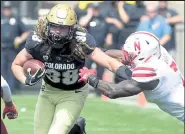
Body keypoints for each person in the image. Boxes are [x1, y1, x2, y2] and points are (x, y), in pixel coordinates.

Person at [11, 4, 124, 134]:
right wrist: (26, 80)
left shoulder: (80, 41)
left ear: (72, 28)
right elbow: (16, 64)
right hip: (48, 92)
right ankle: (76, 130)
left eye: (63, 28)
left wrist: (130, 75)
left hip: (73, 93)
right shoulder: (38, 40)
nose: (58, 31)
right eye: (54, 26)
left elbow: (109, 62)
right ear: (47, 25)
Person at [79, 31, 184, 122]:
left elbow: (113, 91)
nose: (125, 54)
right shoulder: (156, 53)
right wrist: (96, 51)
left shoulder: (151, 71)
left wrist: (90, 78)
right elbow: (124, 56)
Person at [1, 2, 30, 93]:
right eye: (5, 9)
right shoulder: (1, 20)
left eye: (8, 9)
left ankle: (12, 89)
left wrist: (20, 39)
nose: (7, 11)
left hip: (13, 49)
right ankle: (3, 88)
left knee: (12, 68)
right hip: (2, 49)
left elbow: (26, 31)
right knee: (2, 68)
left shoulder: (16, 19)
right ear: (2, 10)